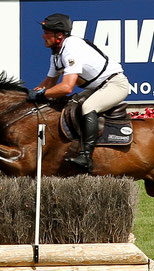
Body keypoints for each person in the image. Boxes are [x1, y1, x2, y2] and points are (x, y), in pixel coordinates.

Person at [27, 13, 130, 170]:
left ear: (59, 35)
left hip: (115, 84)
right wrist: (30, 95)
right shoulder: (56, 53)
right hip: (96, 87)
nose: (43, 36)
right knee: (69, 106)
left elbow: (67, 87)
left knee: (88, 107)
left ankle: (86, 156)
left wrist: (42, 94)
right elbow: (49, 82)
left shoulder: (71, 47)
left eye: (47, 32)